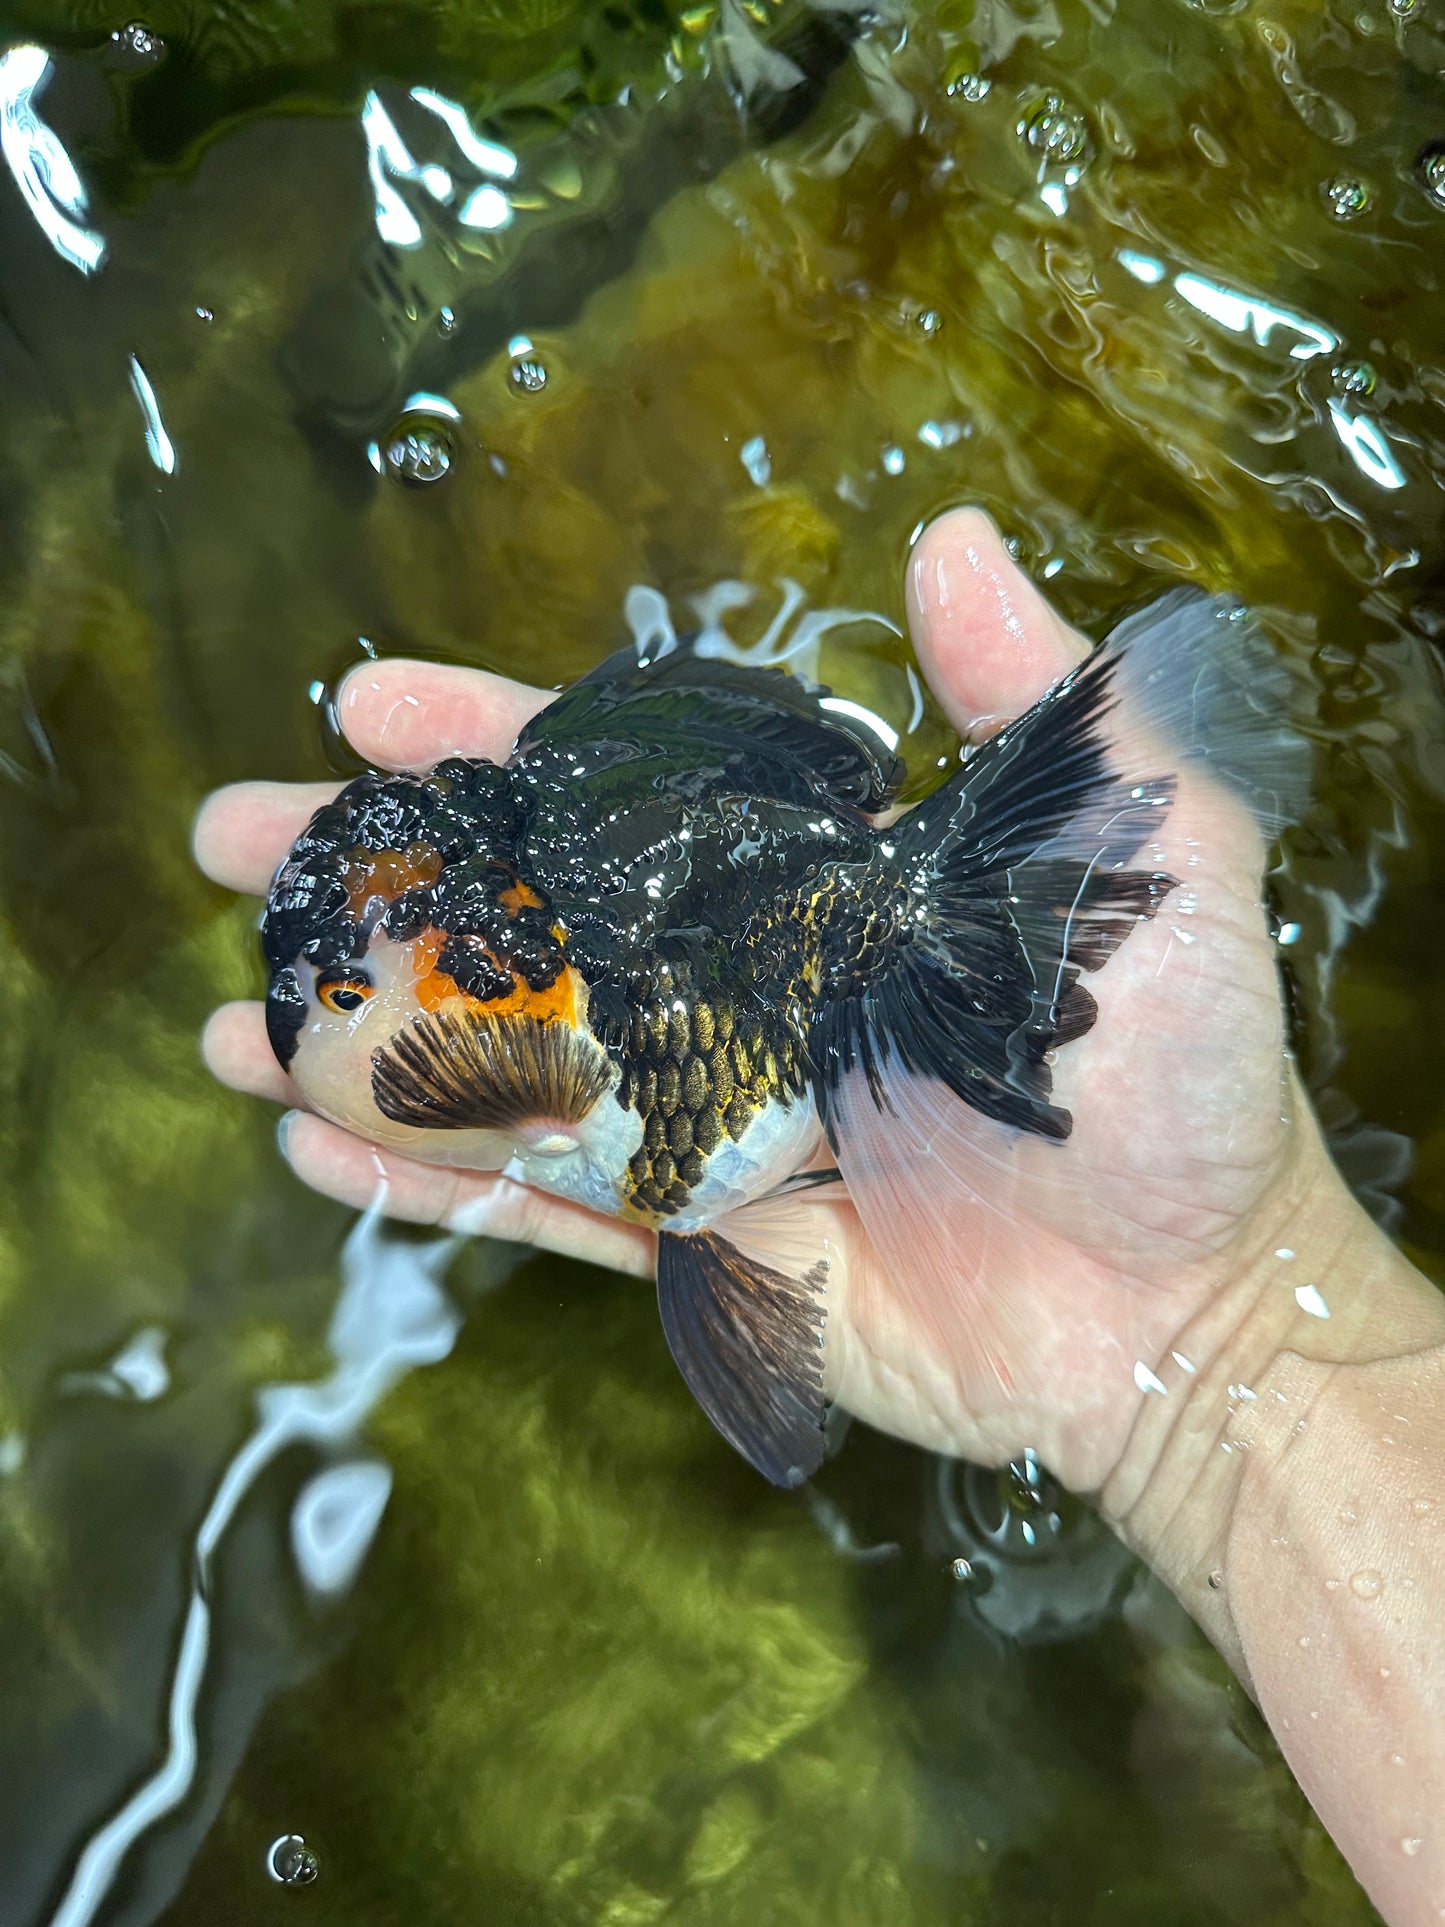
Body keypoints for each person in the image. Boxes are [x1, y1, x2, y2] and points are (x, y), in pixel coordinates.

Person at [194, 507, 1445, 1926]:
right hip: (742, 1108)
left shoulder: (512, 1023)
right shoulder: (516, 987)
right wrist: (1224, 1351)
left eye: (338, 994)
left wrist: (1218, 1340)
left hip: (758, 1071)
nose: (315, 1017)